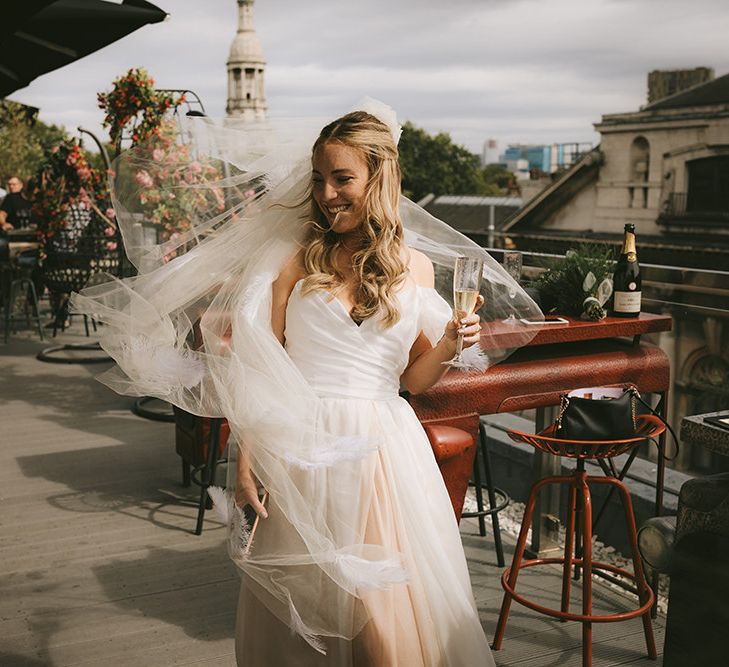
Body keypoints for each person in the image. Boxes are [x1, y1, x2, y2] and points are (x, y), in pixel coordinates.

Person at [71, 100, 541, 667]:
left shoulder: (414, 268)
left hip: (383, 455)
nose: (326, 193)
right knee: (303, 621)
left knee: (383, 628)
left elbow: (413, 383)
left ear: (380, 177)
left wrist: (448, 344)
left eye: (343, 178)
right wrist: (245, 463)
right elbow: (257, 369)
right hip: (300, 449)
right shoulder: (294, 259)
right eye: (319, 179)